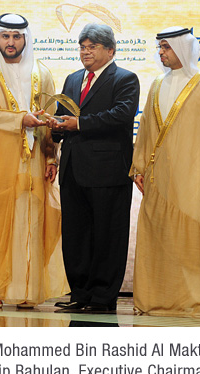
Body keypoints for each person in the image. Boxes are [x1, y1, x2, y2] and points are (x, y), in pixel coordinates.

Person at [0, 13, 69, 308]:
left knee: (31, 221)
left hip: (34, 161)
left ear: (26, 39)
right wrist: (20, 119)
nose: (11, 42)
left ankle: (25, 290)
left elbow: (48, 118)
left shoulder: (41, 73)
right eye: (6, 36)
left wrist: (52, 157)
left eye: (17, 36)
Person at [130, 27, 200, 317]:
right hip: (159, 178)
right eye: (160, 48)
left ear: (183, 48)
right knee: (161, 236)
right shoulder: (156, 84)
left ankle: (196, 301)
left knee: (193, 238)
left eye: (166, 47)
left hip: (195, 179)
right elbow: (147, 132)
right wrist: (138, 166)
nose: (161, 52)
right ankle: (158, 300)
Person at [48, 23, 140, 313]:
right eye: (82, 47)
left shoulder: (125, 79)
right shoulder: (73, 79)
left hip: (109, 171)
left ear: (110, 50)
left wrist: (81, 123)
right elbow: (65, 117)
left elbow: (122, 115)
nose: (85, 52)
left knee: (107, 235)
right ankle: (80, 293)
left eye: (92, 47)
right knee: (76, 234)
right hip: (74, 169)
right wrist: (53, 125)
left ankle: (102, 297)